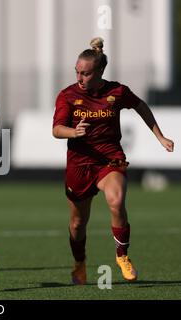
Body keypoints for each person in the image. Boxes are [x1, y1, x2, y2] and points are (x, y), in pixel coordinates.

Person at [52, 38, 174, 285]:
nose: (80, 78)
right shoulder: (68, 95)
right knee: (77, 224)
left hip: (110, 160)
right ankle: (80, 263)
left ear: (99, 72)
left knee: (116, 201)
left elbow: (141, 107)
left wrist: (160, 136)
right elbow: (56, 129)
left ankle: (122, 256)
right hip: (80, 164)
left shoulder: (116, 92)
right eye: (77, 72)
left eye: (85, 73)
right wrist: (73, 132)